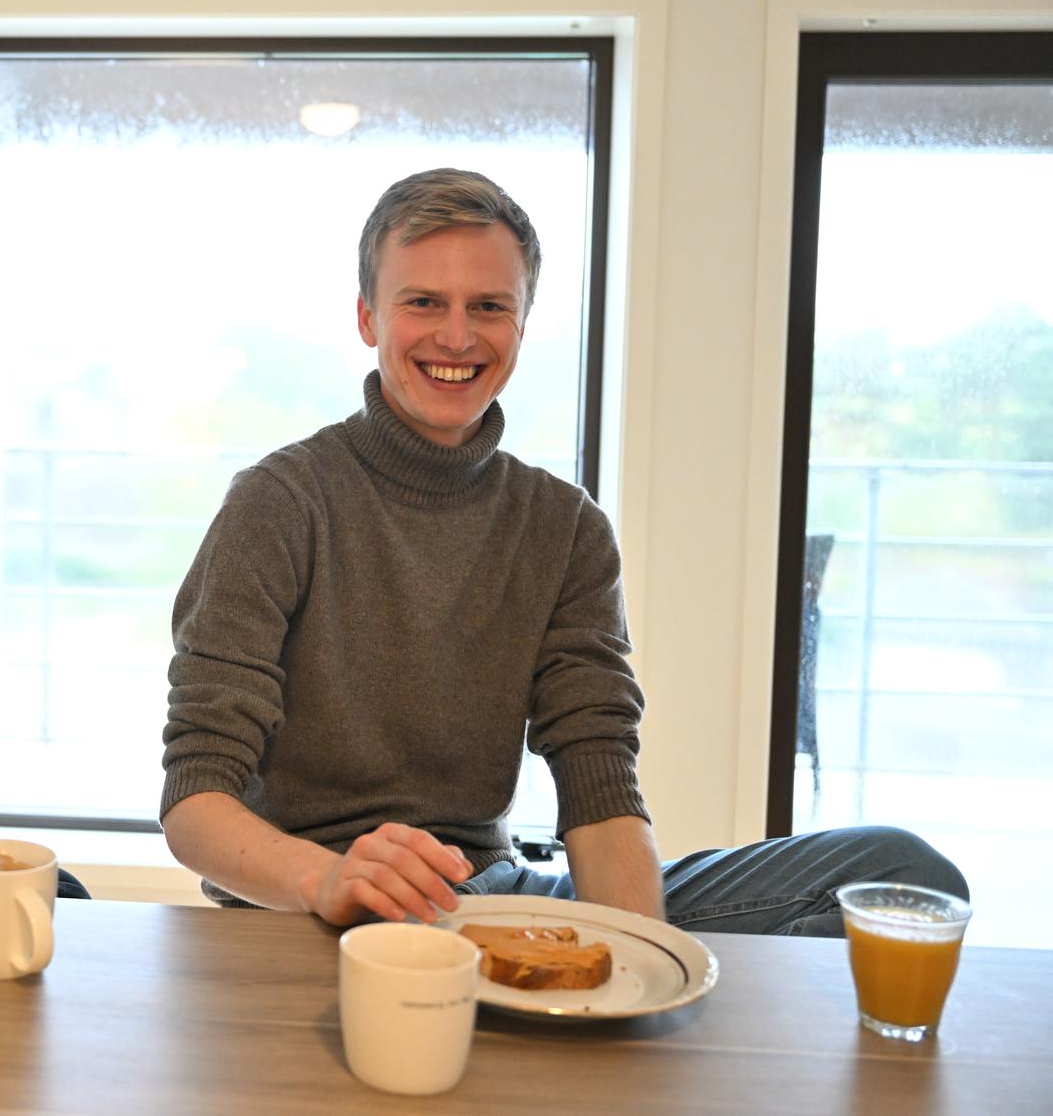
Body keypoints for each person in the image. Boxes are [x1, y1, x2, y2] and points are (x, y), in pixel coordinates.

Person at [158, 168, 965, 936]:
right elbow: (196, 800)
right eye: (423, 301)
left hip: (490, 898)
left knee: (907, 876)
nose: (456, 333)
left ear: (521, 323)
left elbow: (599, 780)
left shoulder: (565, 528)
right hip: (307, 907)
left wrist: (636, 963)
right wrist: (327, 880)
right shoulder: (279, 503)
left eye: (489, 306)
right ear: (369, 317)